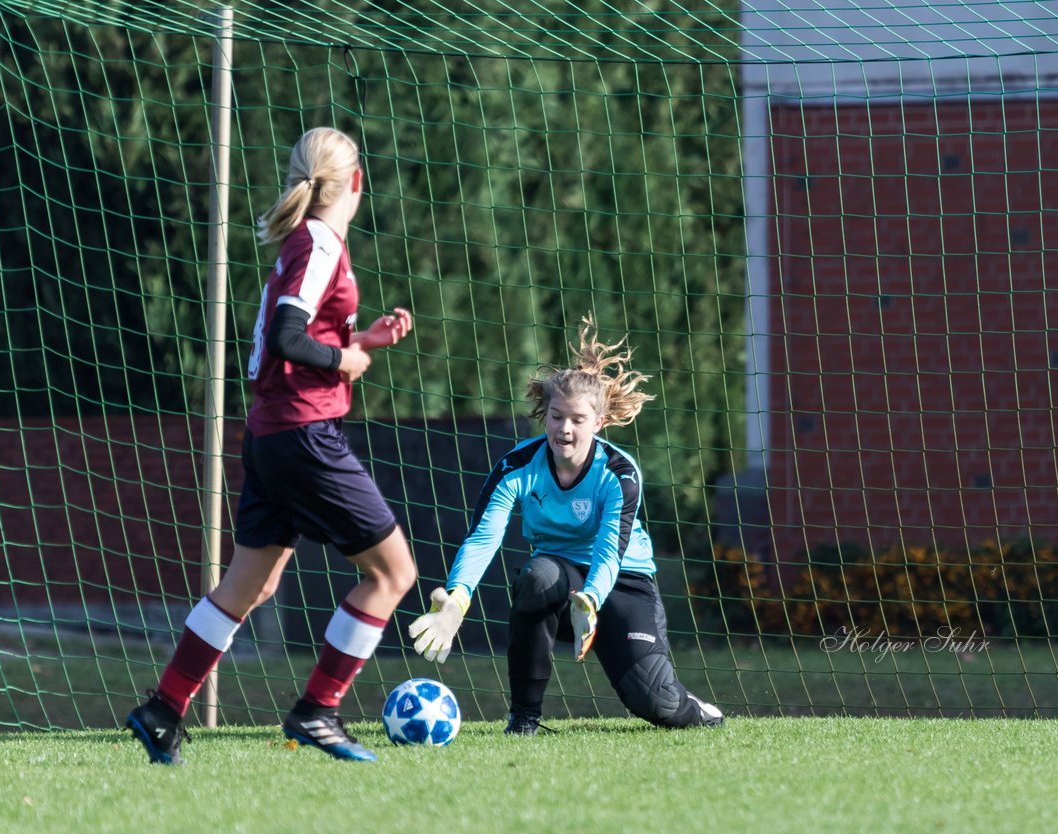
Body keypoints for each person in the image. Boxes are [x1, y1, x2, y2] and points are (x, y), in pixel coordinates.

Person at [126, 127, 417, 764]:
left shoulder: (306, 243)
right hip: (302, 436)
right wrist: (344, 358)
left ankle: (163, 709)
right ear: (358, 183)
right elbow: (288, 339)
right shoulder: (317, 244)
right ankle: (319, 709)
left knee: (247, 587)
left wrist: (361, 343)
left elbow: (295, 338)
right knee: (395, 573)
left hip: (273, 433)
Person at [408, 317, 724, 734]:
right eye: (557, 416)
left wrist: (591, 599)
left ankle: (695, 708)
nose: (565, 429)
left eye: (577, 418)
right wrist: (458, 598)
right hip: (560, 578)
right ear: (546, 414)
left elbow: (611, 550)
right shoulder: (516, 466)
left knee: (658, 702)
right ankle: (524, 720)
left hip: (622, 582)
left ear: (599, 421)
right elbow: (484, 537)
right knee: (537, 577)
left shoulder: (619, 472)